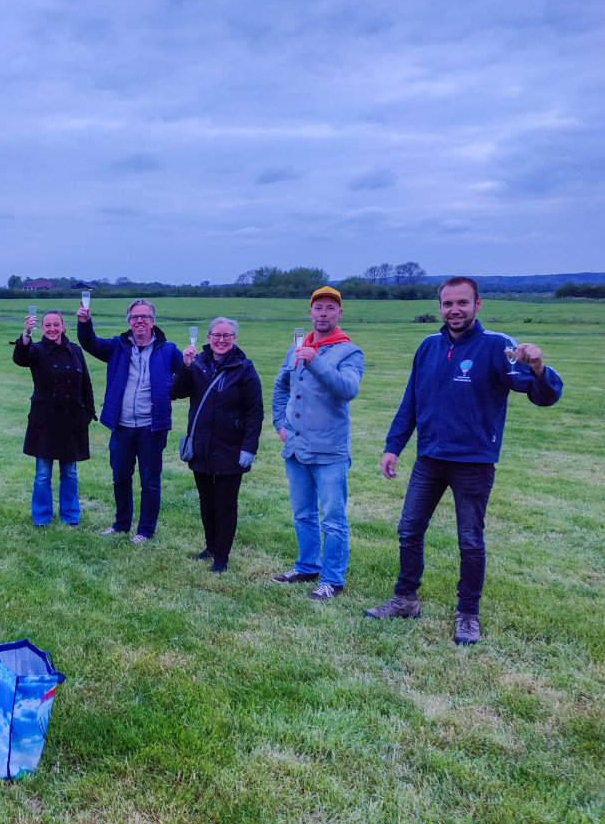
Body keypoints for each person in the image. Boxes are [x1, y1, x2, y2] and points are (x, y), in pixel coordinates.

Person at [366, 276, 564, 644]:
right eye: (448, 303)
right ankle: (405, 599)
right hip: (429, 458)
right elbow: (411, 401)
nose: (454, 310)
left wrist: (539, 368)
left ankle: (468, 614)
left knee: (470, 541)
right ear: (440, 307)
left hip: (473, 462)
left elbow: (543, 396)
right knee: (409, 529)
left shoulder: (498, 346)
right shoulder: (428, 346)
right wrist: (393, 446)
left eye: (462, 303)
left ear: (477, 304)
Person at [270, 286, 364, 601]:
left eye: (330, 308)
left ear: (339, 313)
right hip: (296, 448)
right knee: (303, 514)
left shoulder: (349, 351)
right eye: (318, 308)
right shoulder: (296, 347)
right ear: (310, 313)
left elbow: (348, 389)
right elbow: (280, 386)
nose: (323, 314)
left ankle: (332, 580)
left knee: (332, 520)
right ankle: (307, 566)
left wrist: (315, 361)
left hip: (329, 451)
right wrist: (280, 424)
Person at [77, 299, 185, 542]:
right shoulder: (117, 346)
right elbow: (90, 343)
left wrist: (171, 393)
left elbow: (188, 375)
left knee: (150, 482)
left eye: (144, 316)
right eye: (134, 317)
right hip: (122, 426)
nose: (139, 321)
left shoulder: (168, 350)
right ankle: (121, 525)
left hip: (152, 427)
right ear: (128, 322)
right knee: (120, 478)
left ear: (153, 321)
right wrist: (85, 323)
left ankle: (145, 531)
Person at [171, 318, 263, 572]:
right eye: (217, 335)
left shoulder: (244, 368)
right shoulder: (197, 363)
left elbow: (255, 411)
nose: (221, 340)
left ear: (234, 338)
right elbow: (176, 392)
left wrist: (249, 447)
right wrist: (185, 366)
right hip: (201, 445)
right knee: (206, 500)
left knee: (225, 503)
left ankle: (222, 556)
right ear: (208, 337)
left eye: (227, 335)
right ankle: (210, 547)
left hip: (230, 447)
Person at [13, 309, 96, 526]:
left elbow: (86, 384)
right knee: (42, 474)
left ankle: (71, 515)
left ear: (63, 327)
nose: (52, 329)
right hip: (44, 421)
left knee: (70, 473)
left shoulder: (75, 351)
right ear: (42, 328)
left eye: (56, 324)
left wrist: (88, 412)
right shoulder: (35, 350)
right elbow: (20, 358)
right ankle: (41, 517)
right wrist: (26, 334)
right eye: (47, 325)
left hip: (72, 421)